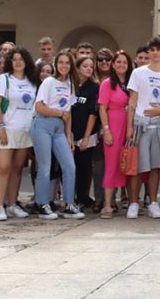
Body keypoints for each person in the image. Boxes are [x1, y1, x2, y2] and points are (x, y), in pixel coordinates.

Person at [126, 37, 160, 220]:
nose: (155, 53)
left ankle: (153, 202)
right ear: (148, 52)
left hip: (158, 124)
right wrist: (129, 126)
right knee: (137, 166)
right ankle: (133, 202)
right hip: (140, 124)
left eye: (158, 49)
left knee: (155, 167)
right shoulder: (138, 73)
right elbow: (132, 101)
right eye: (152, 49)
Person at [30, 50, 83, 219]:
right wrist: (59, 114)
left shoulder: (71, 85)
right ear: (55, 65)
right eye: (61, 62)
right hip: (43, 125)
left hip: (60, 129)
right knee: (44, 167)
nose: (64, 66)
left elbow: (68, 113)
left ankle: (68, 204)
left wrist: (69, 136)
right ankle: (42, 203)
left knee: (69, 166)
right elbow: (39, 107)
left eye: (67, 63)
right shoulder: (49, 82)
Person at [0, 47, 38, 221]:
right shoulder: (3, 79)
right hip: (6, 129)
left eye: (21, 59)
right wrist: (1, 127)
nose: (18, 62)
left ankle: (12, 205)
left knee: (17, 169)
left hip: (24, 131)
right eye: (14, 59)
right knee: (3, 168)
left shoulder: (32, 81)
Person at [97, 50, 132, 219]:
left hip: (129, 125)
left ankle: (131, 200)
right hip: (113, 124)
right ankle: (108, 204)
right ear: (113, 64)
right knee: (111, 165)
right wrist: (106, 130)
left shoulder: (132, 82)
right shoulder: (107, 83)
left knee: (129, 163)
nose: (121, 65)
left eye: (124, 62)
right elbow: (102, 108)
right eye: (118, 62)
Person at [71, 55, 100, 212]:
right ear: (78, 68)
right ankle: (71, 198)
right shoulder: (71, 86)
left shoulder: (94, 87)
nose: (89, 69)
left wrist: (86, 138)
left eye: (91, 66)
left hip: (87, 135)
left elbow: (92, 114)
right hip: (70, 134)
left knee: (83, 167)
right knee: (70, 167)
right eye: (85, 66)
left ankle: (83, 198)